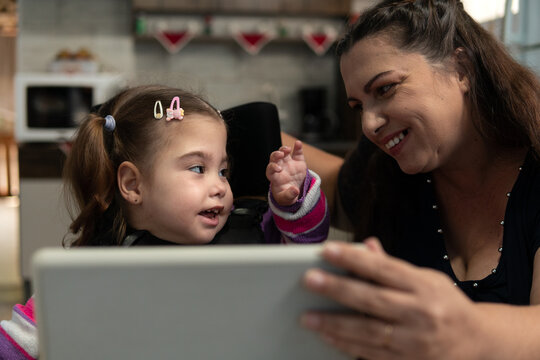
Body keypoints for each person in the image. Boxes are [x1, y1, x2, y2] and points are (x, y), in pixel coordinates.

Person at [0, 85, 328, 359]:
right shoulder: (91, 273)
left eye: (223, 171)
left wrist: (291, 199)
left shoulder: (255, 236)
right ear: (133, 185)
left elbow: (307, 245)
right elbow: (18, 342)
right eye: (198, 169)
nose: (220, 186)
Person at [290, 0, 540, 358]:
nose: (369, 125)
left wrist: (470, 332)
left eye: (385, 89)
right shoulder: (385, 175)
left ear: (461, 69)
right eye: (359, 106)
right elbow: (322, 176)